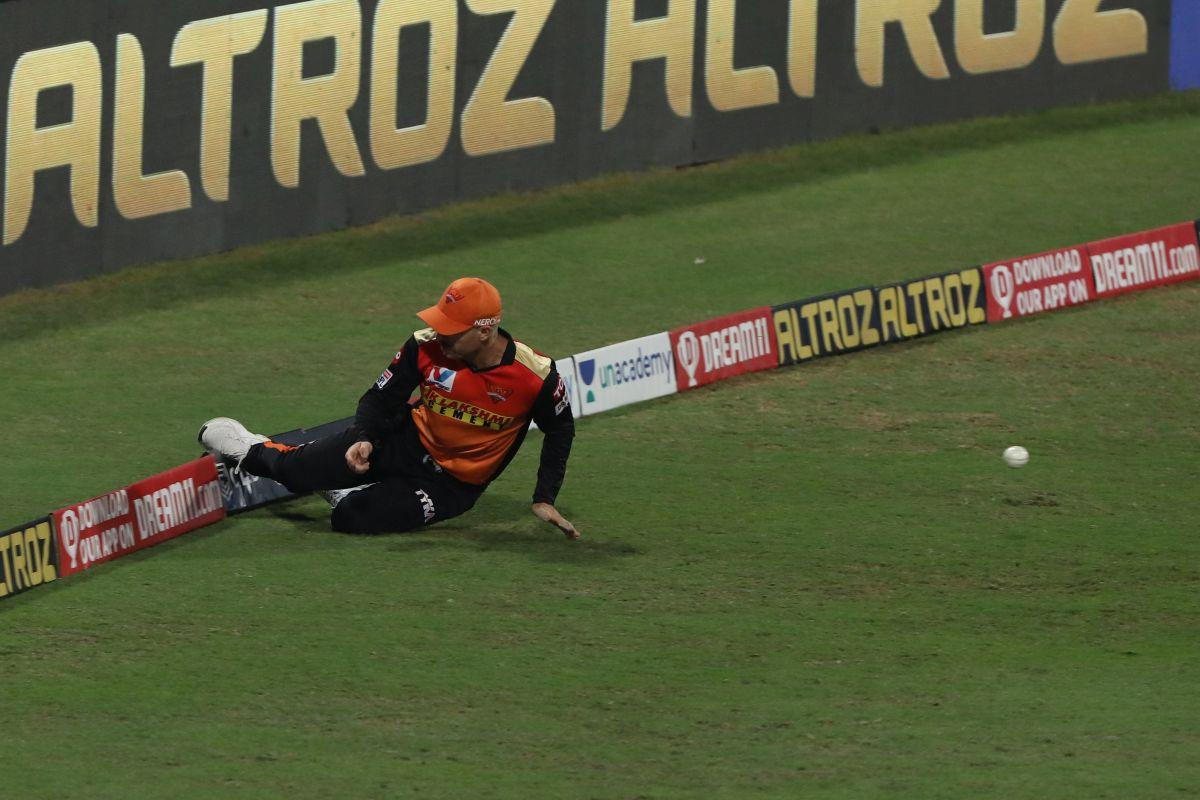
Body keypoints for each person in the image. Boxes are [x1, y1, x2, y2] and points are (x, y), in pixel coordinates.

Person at [199, 277, 579, 538]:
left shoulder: (536, 376)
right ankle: (244, 444)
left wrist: (544, 497)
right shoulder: (425, 345)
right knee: (293, 472)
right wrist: (364, 438)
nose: (440, 336)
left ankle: (344, 491)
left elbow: (560, 429)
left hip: (452, 487)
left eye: (452, 330)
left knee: (350, 519)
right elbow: (380, 399)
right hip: (403, 440)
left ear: (484, 331)